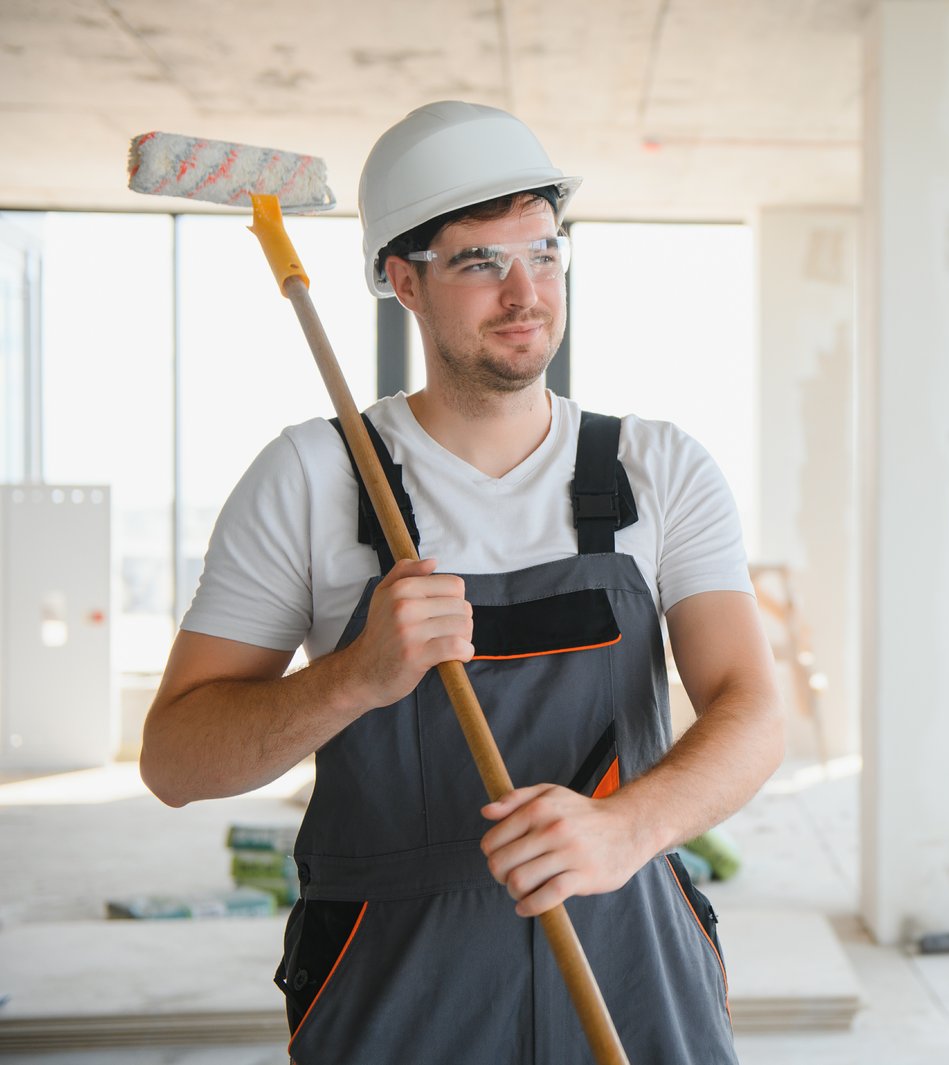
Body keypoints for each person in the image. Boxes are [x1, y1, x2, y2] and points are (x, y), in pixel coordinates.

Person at [140, 100, 784, 1064]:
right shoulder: (314, 477)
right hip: (394, 978)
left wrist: (623, 828)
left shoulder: (659, 468)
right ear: (403, 279)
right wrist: (355, 674)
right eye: (483, 263)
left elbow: (754, 709)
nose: (526, 292)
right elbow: (175, 761)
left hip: (629, 956)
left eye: (545, 252)